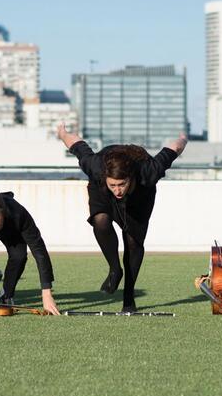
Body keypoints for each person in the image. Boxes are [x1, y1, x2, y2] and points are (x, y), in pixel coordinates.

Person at [57, 124, 187, 312]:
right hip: (101, 192)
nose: (118, 190)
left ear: (130, 178)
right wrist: (62, 133)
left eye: (121, 184)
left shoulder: (148, 171)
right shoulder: (96, 167)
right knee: (100, 220)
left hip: (139, 199)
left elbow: (175, 148)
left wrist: (184, 137)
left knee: (133, 242)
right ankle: (114, 269)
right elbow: (76, 145)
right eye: (114, 185)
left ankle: (128, 298)